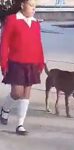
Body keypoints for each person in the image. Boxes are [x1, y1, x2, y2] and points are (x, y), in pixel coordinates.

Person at [0, 0, 44, 135]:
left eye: (35, 7)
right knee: (17, 93)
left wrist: (41, 62)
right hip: (15, 62)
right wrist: (3, 62)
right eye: (31, 6)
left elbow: (38, 43)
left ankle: (20, 124)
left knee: (26, 94)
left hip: (32, 63)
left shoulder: (36, 23)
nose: (34, 9)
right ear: (22, 5)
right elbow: (4, 42)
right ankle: (5, 109)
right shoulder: (12, 20)